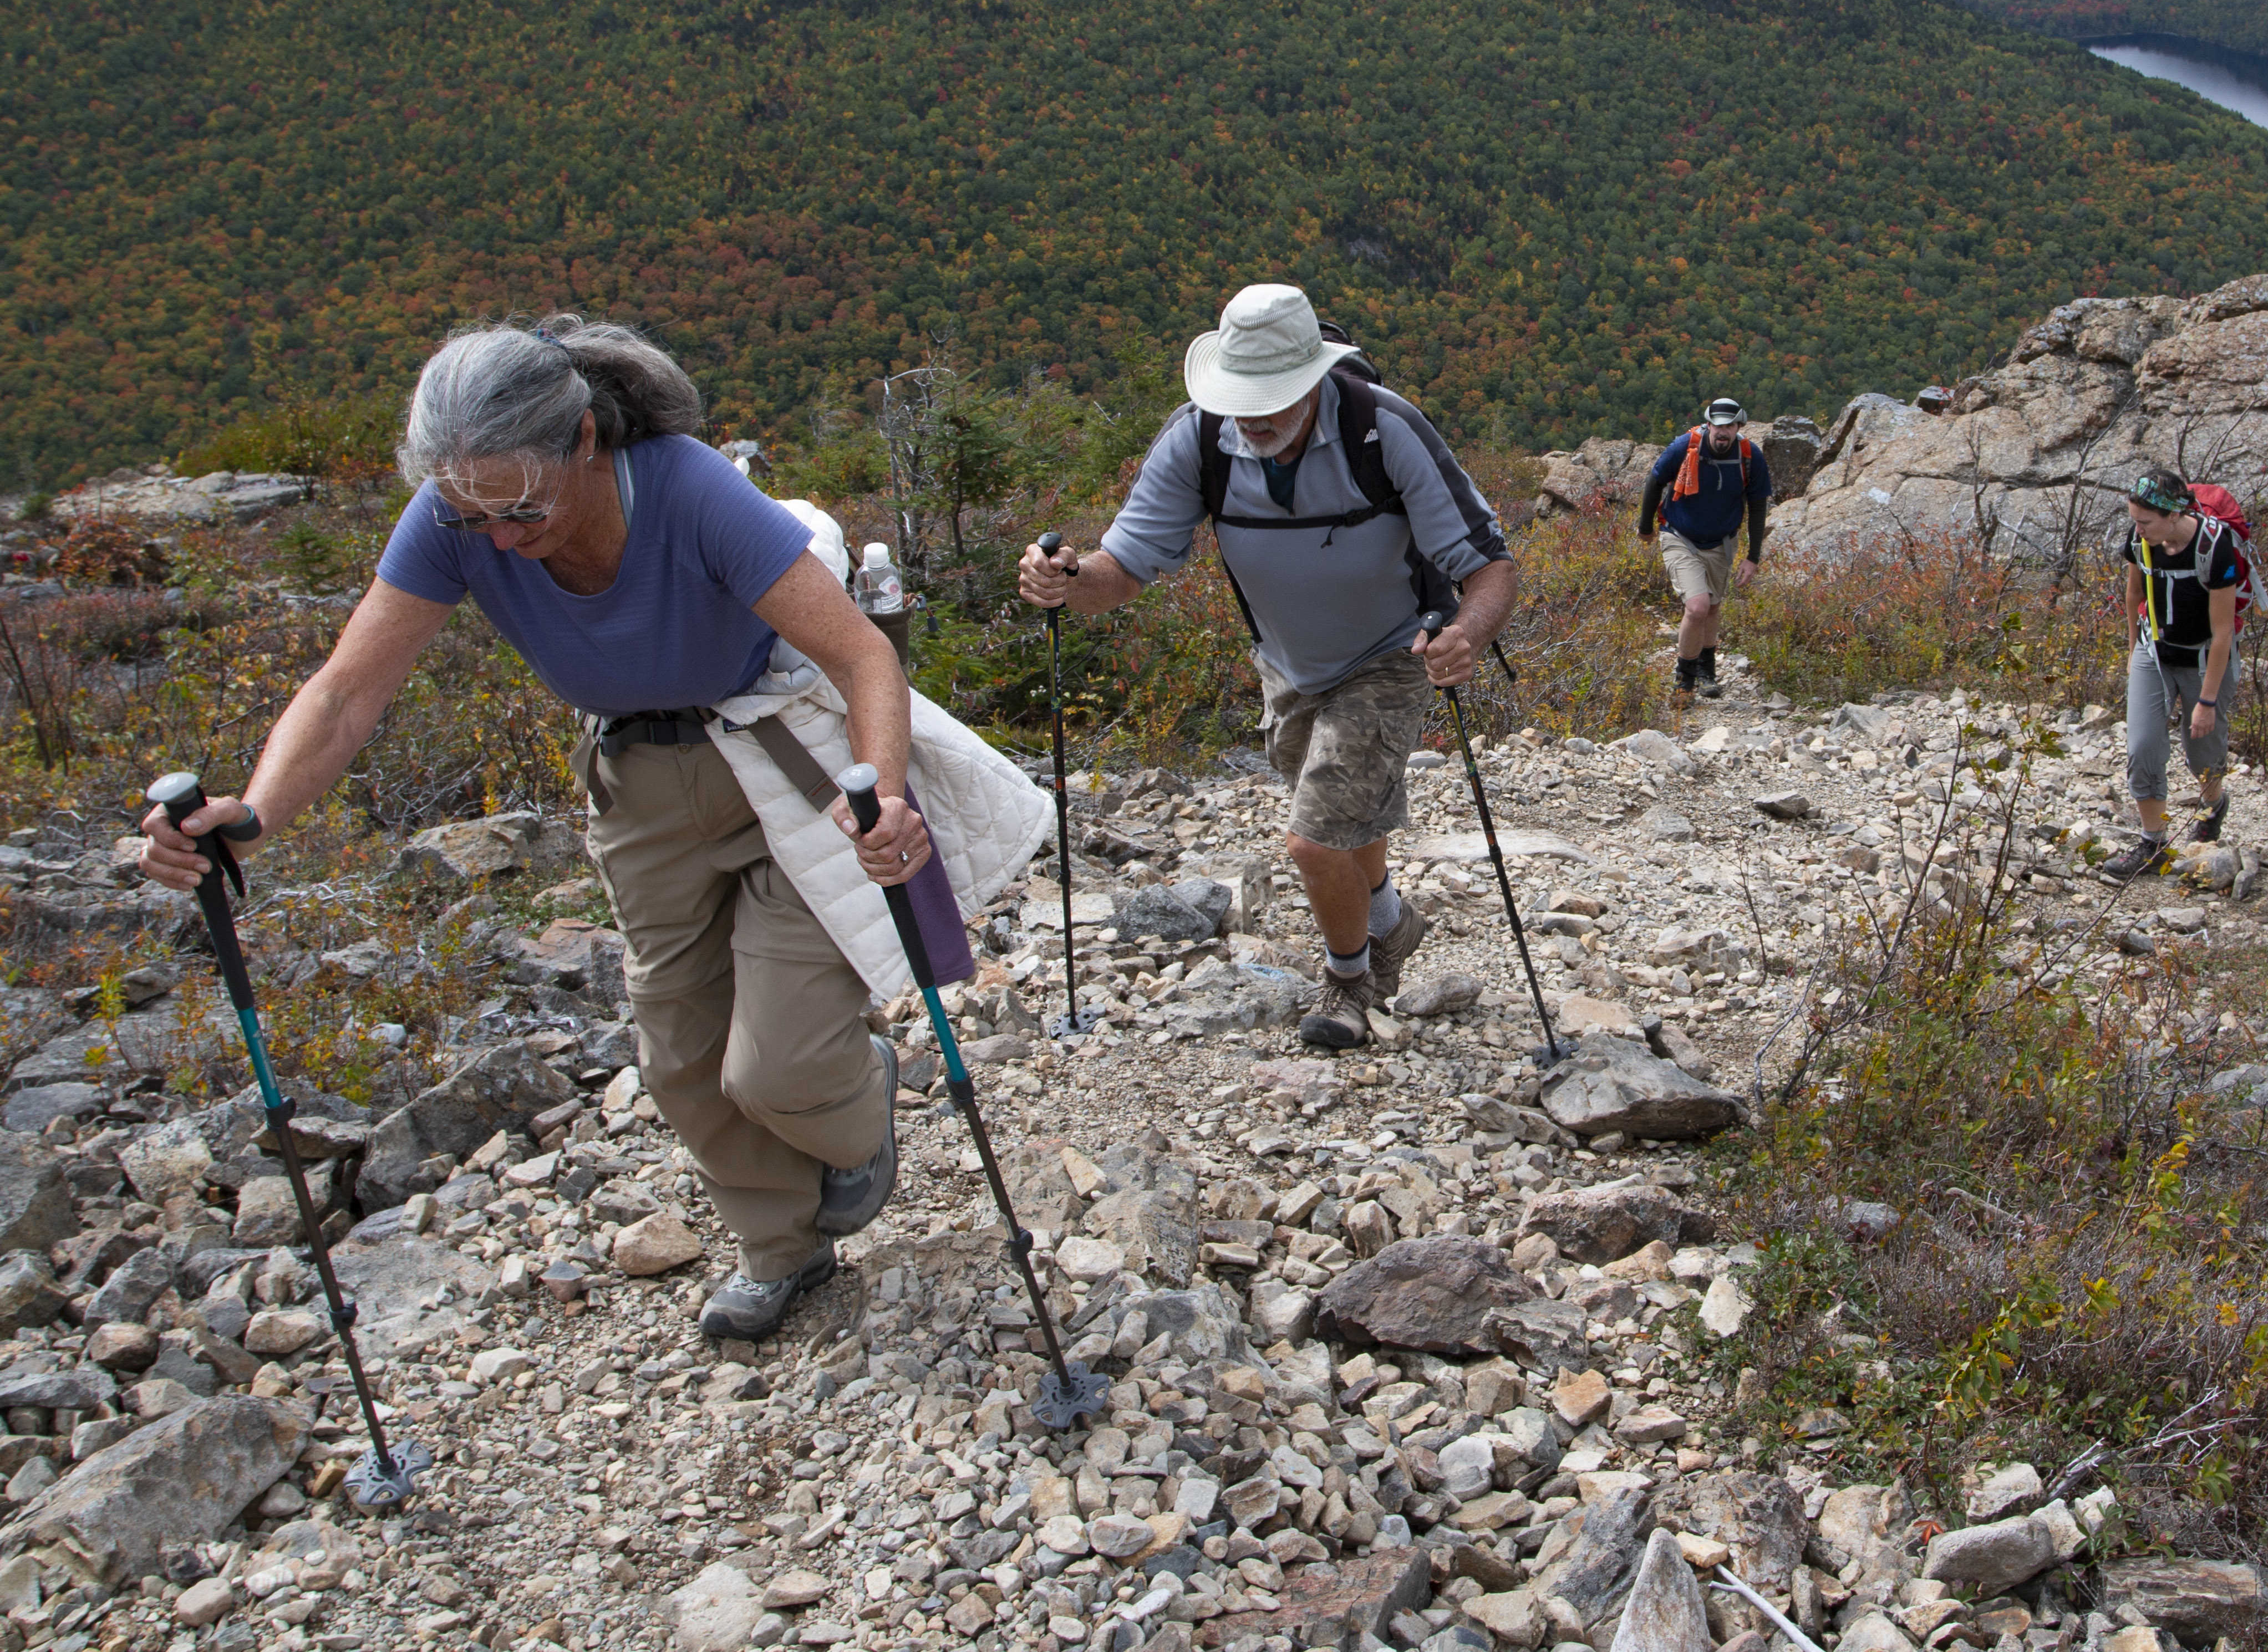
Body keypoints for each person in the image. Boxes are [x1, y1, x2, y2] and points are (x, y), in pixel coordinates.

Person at [140, 318, 1050, 1341]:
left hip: (783, 765)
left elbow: (863, 659)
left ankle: (853, 1102)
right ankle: (780, 1247)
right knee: (677, 1053)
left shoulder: (686, 488)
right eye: (466, 509)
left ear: (584, 440)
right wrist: (254, 815)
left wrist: (879, 788)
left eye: (519, 509)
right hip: (638, 788)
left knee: (778, 1065)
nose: (494, 537)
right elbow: (350, 690)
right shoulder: (459, 511)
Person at [1020, 284, 1514, 1052]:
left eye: (1273, 398)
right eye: (1240, 396)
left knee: (1315, 837)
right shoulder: (1200, 438)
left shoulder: (1384, 429)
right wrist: (1068, 579)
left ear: (1317, 379)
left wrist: (1467, 635)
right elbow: (1121, 571)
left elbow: (1489, 567)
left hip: (1390, 652)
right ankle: (1389, 922)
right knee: (1348, 818)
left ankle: (1349, 983)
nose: (1253, 417)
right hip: (1287, 664)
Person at [2102, 467, 2238, 882]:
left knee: (2203, 754)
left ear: (2174, 515)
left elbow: (2222, 633)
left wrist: (2208, 703)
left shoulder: (2215, 546)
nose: (2137, 529)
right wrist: (2133, 653)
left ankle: (2214, 806)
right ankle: (2153, 844)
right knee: (2143, 748)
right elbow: (2134, 594)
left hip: (2203, 659)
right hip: (2153, 653)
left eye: (2146, 521)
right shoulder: (2141, 541)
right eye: (2135, 520)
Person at [1636, 397, 1768, 694]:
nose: (1723, 432)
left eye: (1730, 426)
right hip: (1679, 536)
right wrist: (1646, 528)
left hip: (1722, 541)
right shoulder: (1685, 447)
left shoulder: (1750, 456)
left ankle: (1708, 671)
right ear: (1708, 424)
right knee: (1698, 607)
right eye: (1718, 426)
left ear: (1739, 427)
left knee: (1713, 608)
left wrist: (1753, 557)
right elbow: (1654, 482)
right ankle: (1685, 680)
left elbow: (1758, 505)